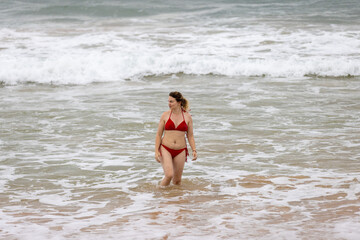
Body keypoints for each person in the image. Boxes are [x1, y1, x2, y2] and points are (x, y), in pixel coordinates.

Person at [155, 91, 197, 186]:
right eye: (168, 101)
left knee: (177, 181)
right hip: (166, 148)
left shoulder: (187, 117)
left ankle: (175, 199)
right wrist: (156, 151)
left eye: (171, 101)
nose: (169, 104)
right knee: (169, 175)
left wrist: (194, 150)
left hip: (181, 150)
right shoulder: (165, 115)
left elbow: (190, 135)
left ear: (179, 102)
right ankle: (160, 195)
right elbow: (158, 134)